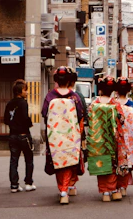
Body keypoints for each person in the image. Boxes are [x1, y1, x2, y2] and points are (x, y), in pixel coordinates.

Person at [41, 66, 83, 204]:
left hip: (55, 136)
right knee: (70, 161)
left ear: (56, 80)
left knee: (58, 162)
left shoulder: (50, 96)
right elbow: (80, 115)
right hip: (71, 135)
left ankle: (63, 189)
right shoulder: (74, 96)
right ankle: (67, 187)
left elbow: (44, 114)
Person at [86, 76, 123, 202]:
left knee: (100, 165)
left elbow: (89, 121)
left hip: (97, 140)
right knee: (112, 165)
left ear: (100, 89)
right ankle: (113, 189)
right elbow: (121, 121)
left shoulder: (93, 104)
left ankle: (104, 192)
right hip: (111, 140)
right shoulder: (115, 104)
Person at [4, 79, 36, 193]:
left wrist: (14, 124)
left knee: (14, 160)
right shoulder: (23, 103)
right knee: (28, 159)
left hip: (13, 135)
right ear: (20, 91)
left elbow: (6, 120)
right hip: (24, 135)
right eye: (25, 90)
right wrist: (30, 124)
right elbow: (25, 117)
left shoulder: (9, 103)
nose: (27, 92)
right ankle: (28, 183)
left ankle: (14, 185)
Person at [115, 77, 133, 197]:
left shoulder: (112, 104)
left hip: (116, 138)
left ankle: (116, 186)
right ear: (128, 91)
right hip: (129, 139)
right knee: (128, 162)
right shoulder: (132, 105)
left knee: (116, 162)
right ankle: (123, 187)